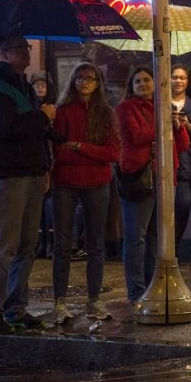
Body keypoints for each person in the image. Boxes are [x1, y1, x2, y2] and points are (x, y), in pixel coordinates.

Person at [0, 33, 55, 333]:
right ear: (4, 53)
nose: (27, 53)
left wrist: (45, 165)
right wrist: (43, 117)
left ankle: (15, 308)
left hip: (31, 171)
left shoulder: (23, 85)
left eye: (27, 47)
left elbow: (33, 131)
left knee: (26, 244)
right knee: (5, 244)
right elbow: (7, 129)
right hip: (9, 174)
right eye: (20, 49)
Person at [50, 62, 120, 324]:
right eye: (79, 78)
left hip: (97, 185)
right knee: (63, 244)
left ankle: (94, 300)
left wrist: (80, 146)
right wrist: (91, 152)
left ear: (98, 83)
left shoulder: (106, 113)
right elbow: (59, 152)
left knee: (96, 244)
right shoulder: (63, 111)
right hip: (65, 183)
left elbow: (113, 154)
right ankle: (60, 302)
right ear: (73, 81)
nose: (84, 82)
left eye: (90, 78)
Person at [116, 66, 190, 307]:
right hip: (140, 177)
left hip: (166, 177)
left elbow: (181, 145)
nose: (143, 85)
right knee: (136, 236)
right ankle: (135, 290)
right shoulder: (126, 108)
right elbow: (135, 136)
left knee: (156, 236)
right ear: (131, 85)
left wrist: (177, 125)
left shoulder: (164, 107)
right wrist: (163, 121)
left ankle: (152, 284)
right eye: (137, 81)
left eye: (147, 80)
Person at [170, 63, 191, 248]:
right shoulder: (158, 101)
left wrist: (189, 127)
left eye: (182, 78)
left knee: (183, 204)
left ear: (188, 81)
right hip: (162, 159)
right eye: (174, 77)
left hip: (185, 160)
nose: (178, 81)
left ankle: (174, 247)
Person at [30, 70, 58, 261]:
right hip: (37, 161)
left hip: (53, 159)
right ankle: (40, 241)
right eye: (36, 85)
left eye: (43, 84)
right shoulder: (31, 108)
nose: (40, 88)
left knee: (50, 205)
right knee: (38, 206)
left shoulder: (54, 108)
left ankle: (51, 242)